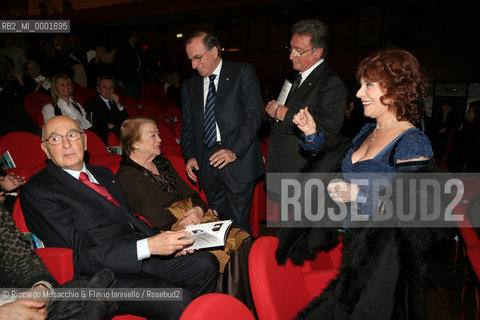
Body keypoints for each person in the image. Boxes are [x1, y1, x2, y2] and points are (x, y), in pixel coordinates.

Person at [278, 49, 443, 319]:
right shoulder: (370, 130)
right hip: (349, 246)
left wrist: (360, 195)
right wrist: (311, 134)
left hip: (381, 261)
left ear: (394, 90)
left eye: (369, 85)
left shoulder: (411, 142)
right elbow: (337, 159)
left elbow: (418, 216)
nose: (358, 94)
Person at [20, 115, 219, 319]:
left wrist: (168, 245)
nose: (66, 144)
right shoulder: (39, 190)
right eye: (55, 139)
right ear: (45, 149)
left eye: (72, 135)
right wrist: (147, 247)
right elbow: (78, 256)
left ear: (85, 141)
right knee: (177, 299)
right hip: (102, 276)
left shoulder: (103, 173)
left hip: (140, 253)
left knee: (206, 264)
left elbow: (129, 218)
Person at [180, 31, 264, 233]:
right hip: (207, 165)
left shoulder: (242, 72)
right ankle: (223, 263)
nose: (193, 65)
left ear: (214, 51)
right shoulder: (189, 86)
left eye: (197, 57)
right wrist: (190, 155)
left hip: (238, 162)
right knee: (216, 225)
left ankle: (242, 264)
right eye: (190, 60)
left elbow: (254, 118)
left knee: (238, 226)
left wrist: (233, 151)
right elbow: (188, 128)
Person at [265, 19, 346, 173]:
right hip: (280, 167)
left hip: (301, 174)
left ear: (318, 52)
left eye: (298, 51)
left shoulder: (330, 82)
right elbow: (282, 115)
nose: (291, 56)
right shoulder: (297, 76)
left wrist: (286, 115)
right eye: (290, 48)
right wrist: (274, 113)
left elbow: (327, 132)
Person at [84, 75, 129, 145]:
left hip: (119, 136)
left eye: (111, 87)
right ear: (98, 89)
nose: (108, 90)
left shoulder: (115, 102)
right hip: (103, 139)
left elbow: (127, 121)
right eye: (104, 87)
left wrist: (119, 105)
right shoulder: (91, 102)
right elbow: (102, 123)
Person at [446, 100, 480, 172]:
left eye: (470, 112)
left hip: (470, 164)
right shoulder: (465, 124)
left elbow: (463, 143)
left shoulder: (471, 128)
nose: (468, 114)